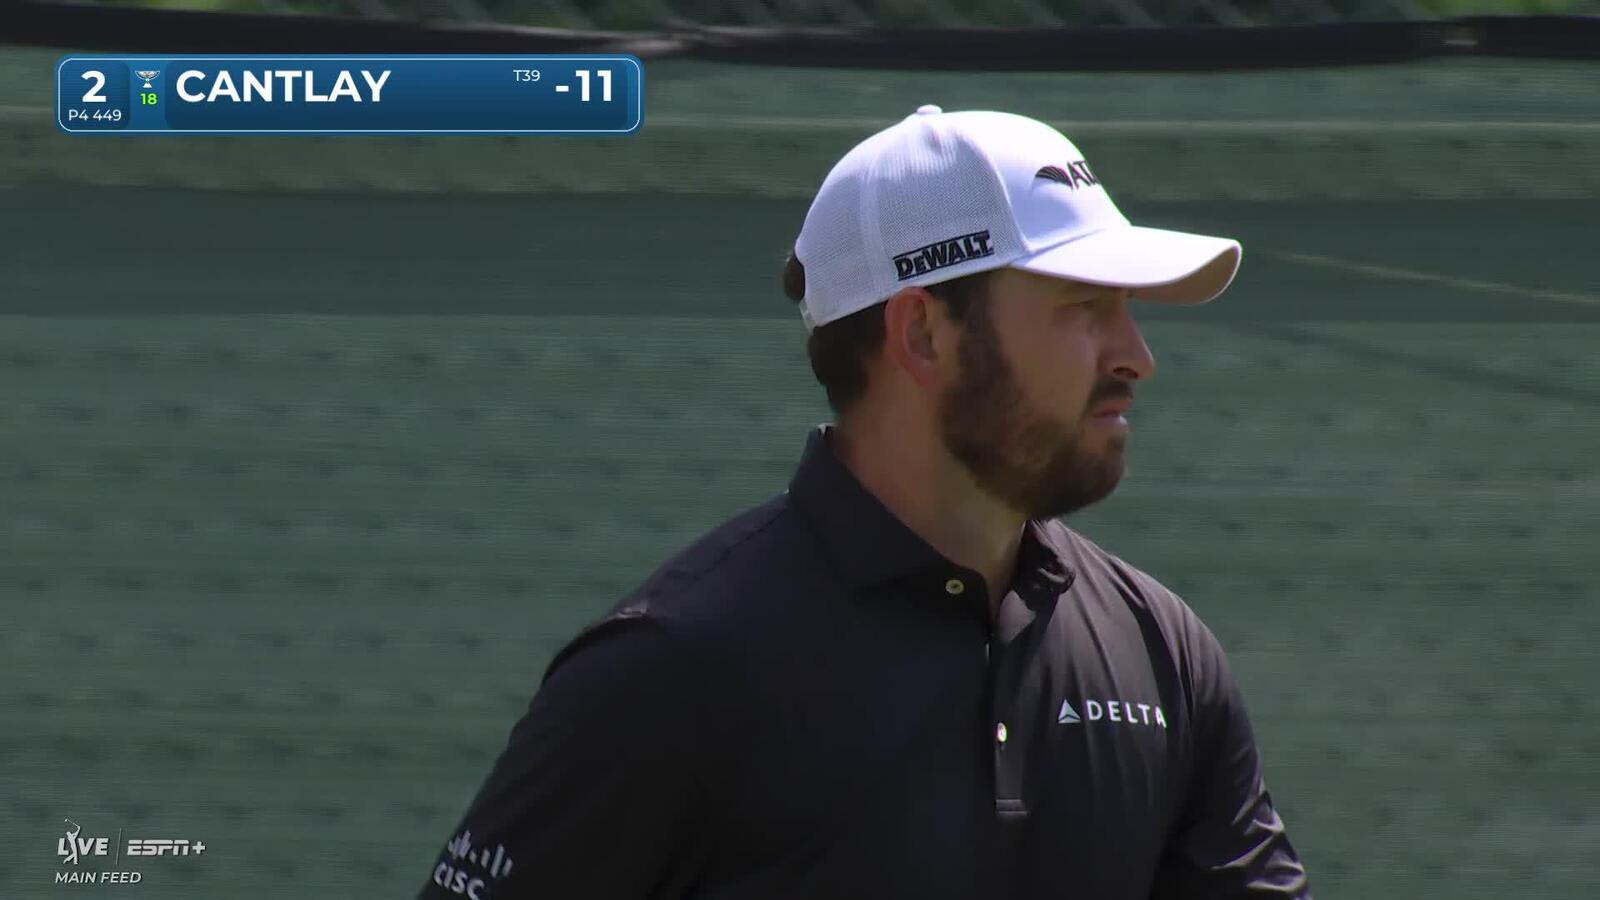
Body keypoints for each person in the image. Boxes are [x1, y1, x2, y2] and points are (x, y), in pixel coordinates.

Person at [417, 105, 1311, 900]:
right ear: (921, 331)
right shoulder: (671, 670)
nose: (1135, 355)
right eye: (1083, 306)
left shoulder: (1164, 654)